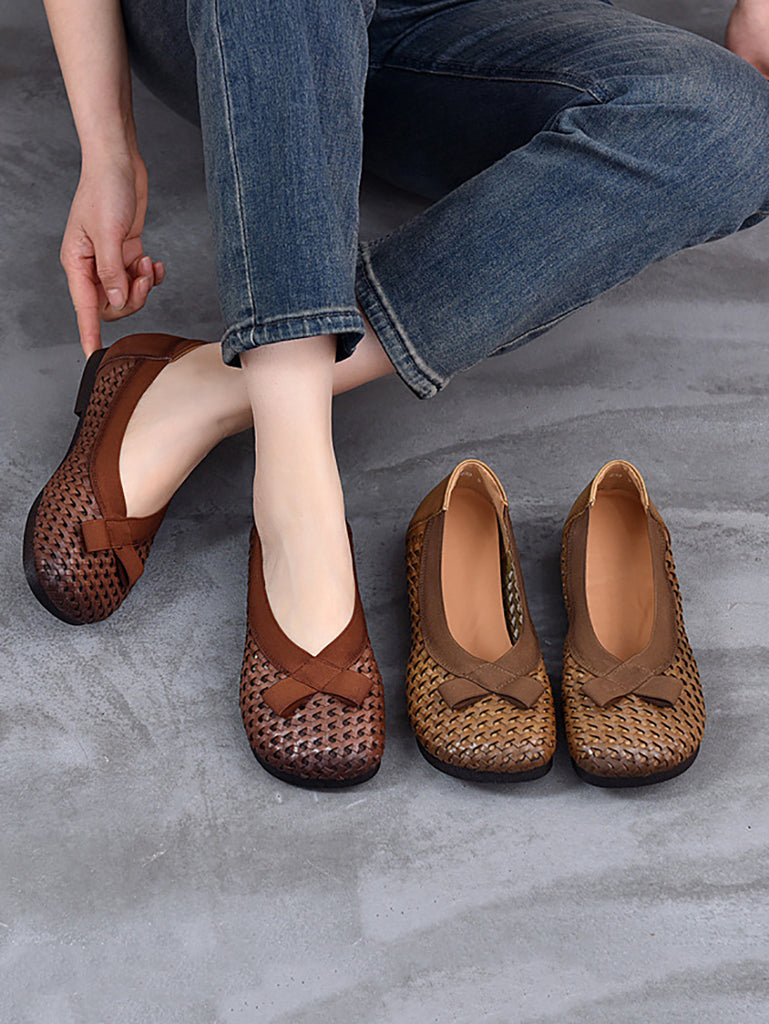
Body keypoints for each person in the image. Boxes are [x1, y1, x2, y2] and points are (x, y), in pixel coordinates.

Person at [30, 0, 769, 783]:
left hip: (462, 37)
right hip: (246, 30)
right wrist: (107, 150)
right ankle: (297, 503)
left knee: (728, 123)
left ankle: (204, 391)